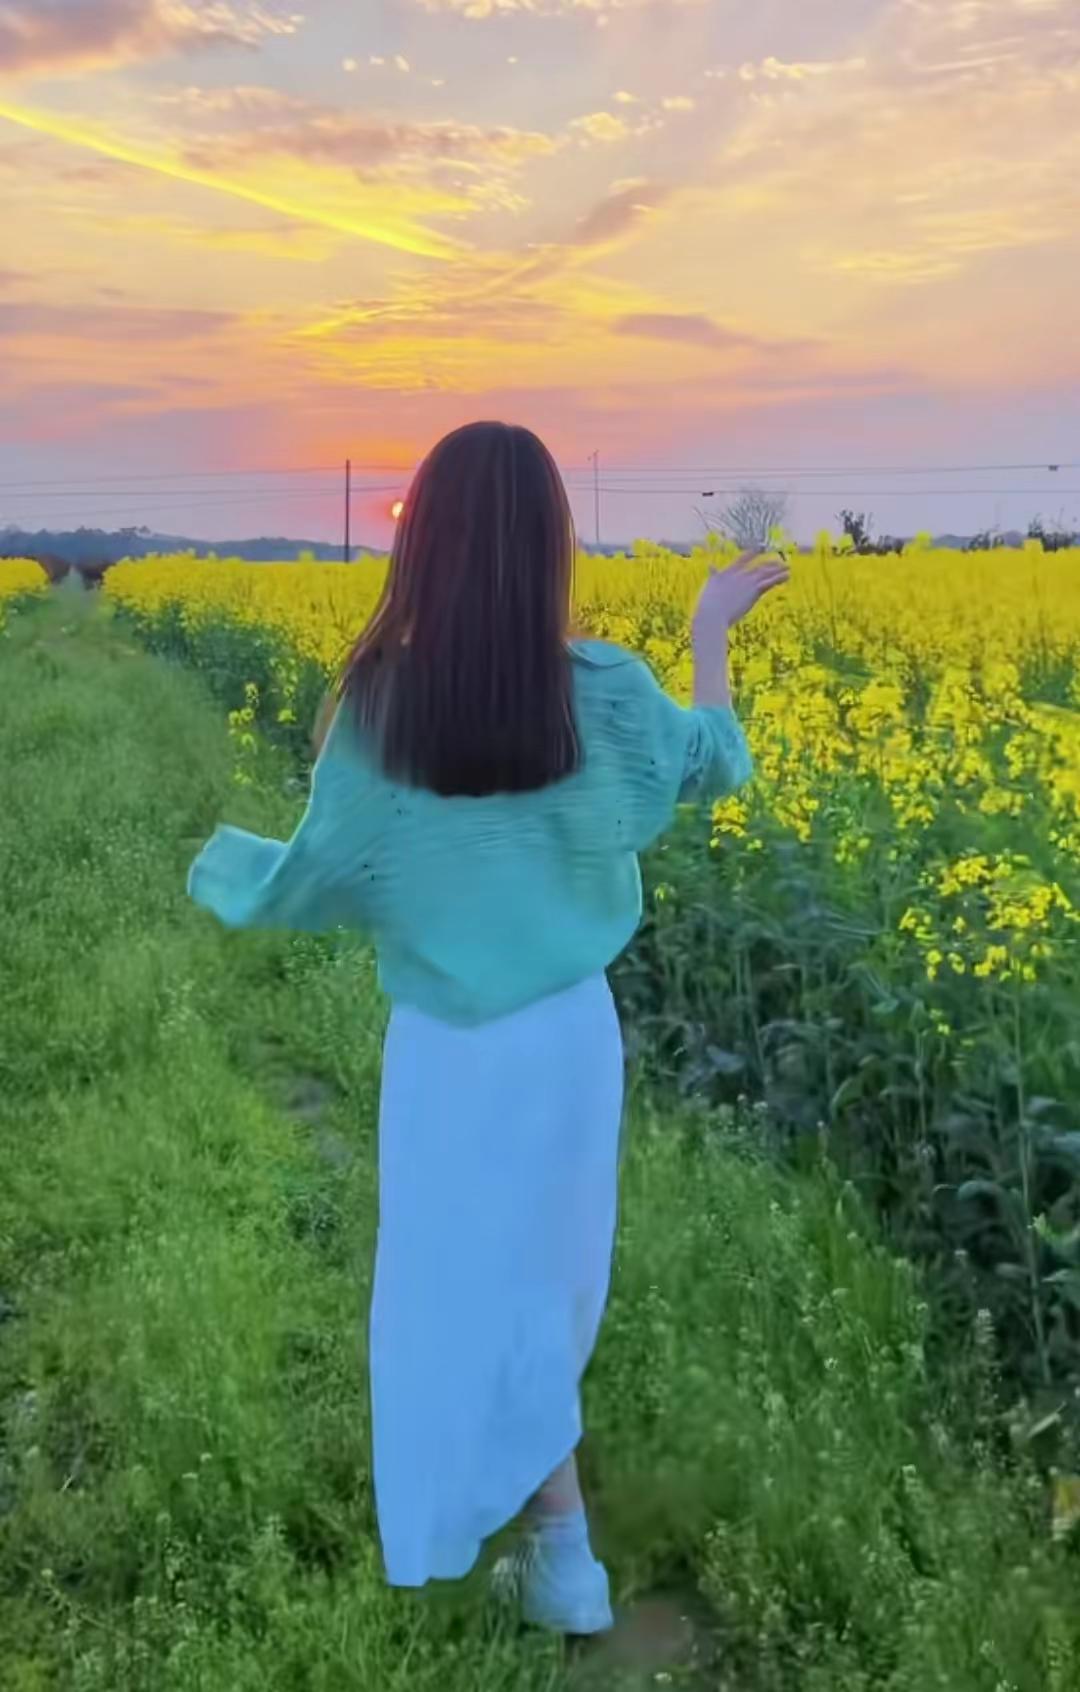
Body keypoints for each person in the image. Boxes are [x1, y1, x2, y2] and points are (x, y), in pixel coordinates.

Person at [186, 420, 788, 1639]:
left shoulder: (382, 700)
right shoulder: (608, 690)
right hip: (568, 1043)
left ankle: (550, 1546)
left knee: (455, 1289)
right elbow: (715, 766)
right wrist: (710, 633)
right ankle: (559, 1550)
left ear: (428, 543)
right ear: (553, 545)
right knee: (548, 1286)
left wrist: (239, 874)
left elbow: (329, 869)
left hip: (448, 1051)